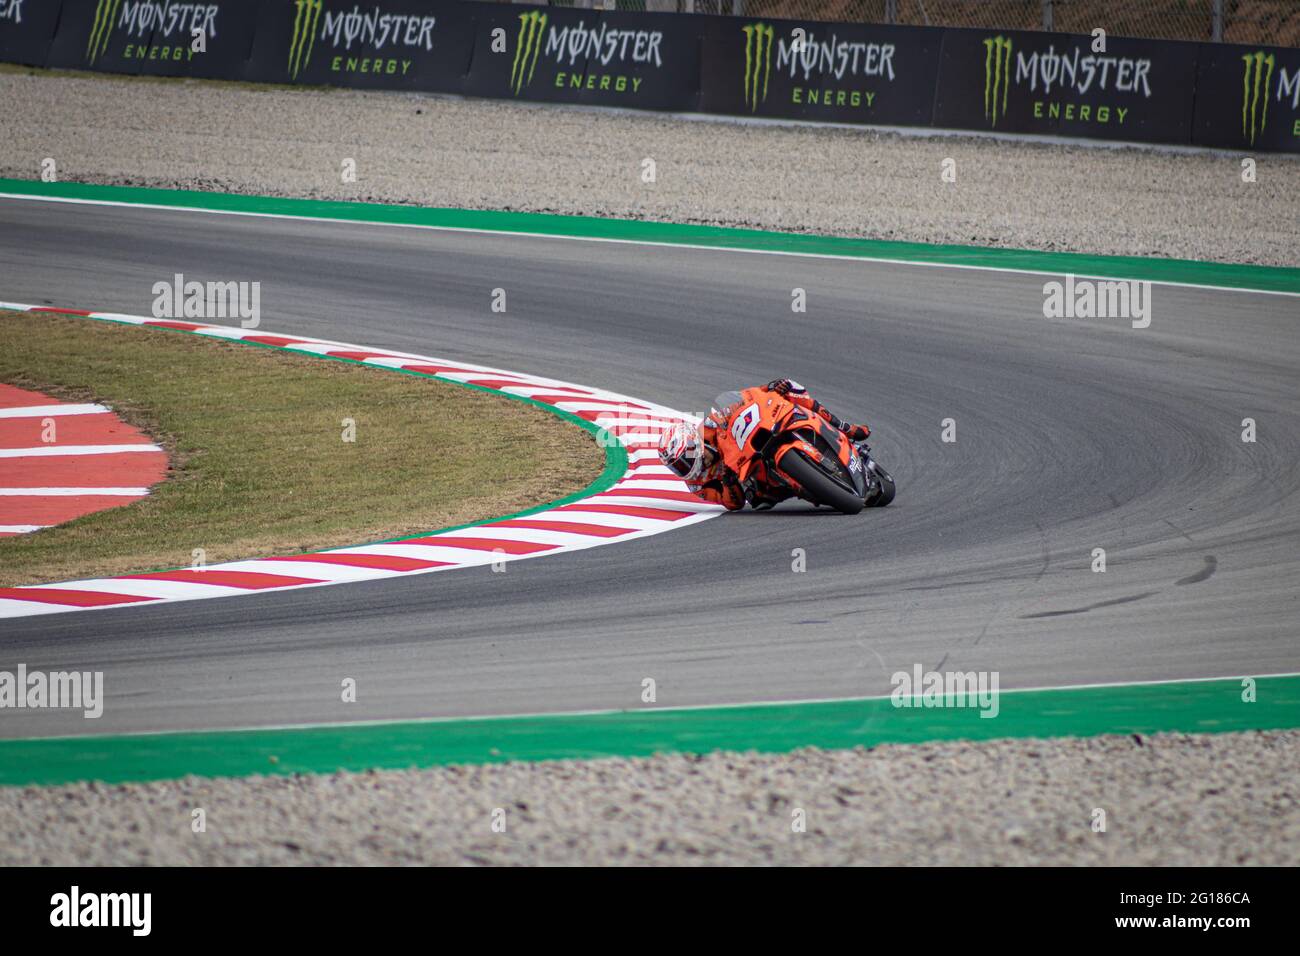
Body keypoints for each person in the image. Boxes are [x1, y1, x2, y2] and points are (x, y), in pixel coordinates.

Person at [658, 378, 870, 510]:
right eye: (679, 466)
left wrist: (769, 388)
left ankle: (844, 427)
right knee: (760, 500)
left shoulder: (710, 427)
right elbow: (732, 504)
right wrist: (730, 482)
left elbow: (742, 401)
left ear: (695, 444)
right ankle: (814, 488)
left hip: (759, 436)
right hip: (753, 476)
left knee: (790, 389)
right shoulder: (698, 485)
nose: (687, 466)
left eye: (686, 458)